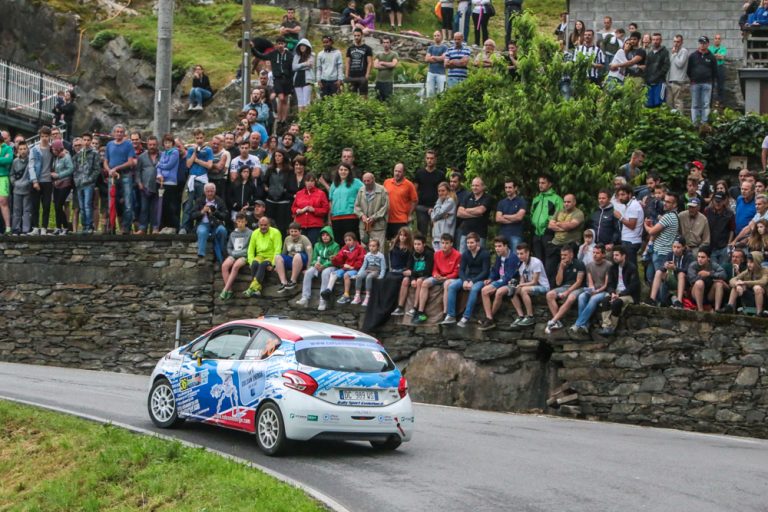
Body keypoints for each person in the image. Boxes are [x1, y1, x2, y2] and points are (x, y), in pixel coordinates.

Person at [440, 232, 490, 327]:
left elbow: (485, 271)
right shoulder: (466, 254)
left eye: (472, 242)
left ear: (478, 243)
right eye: (468, 243)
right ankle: (451, 315)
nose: (469, 245)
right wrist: (465, 280)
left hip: (481, 279)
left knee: (474, 289)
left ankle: (466, 317)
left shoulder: (485, 254)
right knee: (452, 286)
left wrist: (473, 281)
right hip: (468, 277)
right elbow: (461, 270)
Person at [412, 233, 461, 324]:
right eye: (442, 243)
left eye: (447, 243)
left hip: (450, 278)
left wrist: (445, 277)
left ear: (451, 244)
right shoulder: (437, 254)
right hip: (439, 277)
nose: (444, 245)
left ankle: (445, 313)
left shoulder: (457, 255)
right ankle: (420, 312)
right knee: (425, 283)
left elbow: (456, 273)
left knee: (447, 284)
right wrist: (436, 275)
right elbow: (434, 269)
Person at [477, 236, 520, 330]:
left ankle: (489, 318)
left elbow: (509, 277)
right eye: (496, 246)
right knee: (486, 290)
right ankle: (489, 319)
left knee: (486, 291)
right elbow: (495, 270)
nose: (497, 248)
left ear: (506, 246)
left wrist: (494, 284)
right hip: (502, 280)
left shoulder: (513, 257)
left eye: (499, 246)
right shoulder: (499, 256)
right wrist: (490, 279)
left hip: (512, 282)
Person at [569, 244, 612, 335]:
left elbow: (606, 284)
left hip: (604, 291)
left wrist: (597, 291)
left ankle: (578, 324)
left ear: (603, 254)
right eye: (594, 253)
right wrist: (592, 290)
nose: (595, 255)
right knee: (581, 296)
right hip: (593, 290)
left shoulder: (609, 265)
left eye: (597, 253)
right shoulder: (589, 265)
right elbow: (590, 282)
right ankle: (585, 325)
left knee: (593, 299)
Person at [253, 37, 294, 131]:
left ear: (285, 44)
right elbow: (261, 55)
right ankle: (279, 118)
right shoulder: (273, 54)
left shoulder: (289, 55)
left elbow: (292, 68)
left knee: (285, 100)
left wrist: (292, 80)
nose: (280, 45)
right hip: (278, 79)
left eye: (282, 43)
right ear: (276, 45)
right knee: (281, 98)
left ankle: (283, 120)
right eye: (278, 43)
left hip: (287, 79)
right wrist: (253, 48)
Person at [598, 246, 640, 336]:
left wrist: (620, 294)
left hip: (629, 294)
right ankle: (606, 326)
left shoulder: (631, 267)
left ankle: (612, 327)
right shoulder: (612, 268)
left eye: (617, 255)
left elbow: (633, 286)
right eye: (614, 255)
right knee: (605, 300)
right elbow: (610, 284)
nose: (614, 257)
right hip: (616, 292)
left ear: (623, 256)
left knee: (617, 303)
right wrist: (612, 293)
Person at [544, 244, 586, 333]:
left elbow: (579, 282)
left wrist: (567, 292)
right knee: (549, 295)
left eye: (565, 255)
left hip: (579, 287)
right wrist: (561, 269)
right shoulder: (560, 264)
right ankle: (558, 322)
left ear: (571, 255)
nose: (563, 257)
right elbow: (558, 283)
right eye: (561, 255)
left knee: (571, 297)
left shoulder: (579, 263)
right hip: (564, 287)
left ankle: (553, 320)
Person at [103, 124, 137, 234]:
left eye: (121, 132)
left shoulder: (128, 145)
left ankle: (126, 227)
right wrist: (109, 170)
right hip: (112, 176)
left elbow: (130, 162)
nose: (119, 133)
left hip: (125, 174)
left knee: (128, 203)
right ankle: (111, 227)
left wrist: (116, 168)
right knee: (111, 202)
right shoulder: (109, 145)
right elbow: (105, 161)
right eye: (117, 131)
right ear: (113, 133)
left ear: (124, 133)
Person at [296, 225, 340, 309]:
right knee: (308, 272)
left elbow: (335, 260)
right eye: (323, 235)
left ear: (331, 236)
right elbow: (314, 258)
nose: (325, 237)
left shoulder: (336, 246)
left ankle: (322, 301)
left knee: (325, 273)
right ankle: (305, 297)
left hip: (331, 266)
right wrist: (315, 263)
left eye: (327, 235)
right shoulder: (317, 245)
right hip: (319, 265)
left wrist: (325, 265)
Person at [545, 194, 585, 283]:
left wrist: (558, 223)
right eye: (565, 202)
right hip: (555, 244)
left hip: (570, 244)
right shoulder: (559, 211)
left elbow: (571, 225)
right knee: (550, 269)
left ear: (574, 202)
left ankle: (567, 287)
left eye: (569, 202)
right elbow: (550, 225)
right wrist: (564, 226)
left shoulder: (578, 213)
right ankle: (552, 288)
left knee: (567, 269)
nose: (566, 204)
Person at [392, 234, 433, 316]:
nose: (416, 246)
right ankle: (400, 307)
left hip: (424, 274)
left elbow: (428, 271)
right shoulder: (412, 252)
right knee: (405, 280)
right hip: (414, 275)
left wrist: (413, 274)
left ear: (424, 244)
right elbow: (409, 268)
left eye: (419, 244)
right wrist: (412, 278)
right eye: (415, 244)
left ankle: (415, 308)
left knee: (419, 281)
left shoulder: (429, 254)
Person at [510, 242, 550, 328]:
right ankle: (521, 316)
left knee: (524, 290)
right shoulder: (522, 266)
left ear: (527, 253)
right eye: (518, 254)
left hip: (543, 287)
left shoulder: (536, 262)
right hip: (530, 286)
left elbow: (534, 282)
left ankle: (530, 316)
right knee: (511, 290)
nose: (519, 256)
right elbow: (522, 281)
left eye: (521, 253)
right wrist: (515, 286)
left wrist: (521, 285)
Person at [644, 192, 680, 285]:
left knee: (659, 281)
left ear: (674, 204)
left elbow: (651, 232)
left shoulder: (668, 216)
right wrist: (651, 227)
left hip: (661, 253)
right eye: (664, 200)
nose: (664, 203)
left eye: (668, 202)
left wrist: (645, 226)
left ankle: (660, 294)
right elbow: (657, 230)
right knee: (651, 277)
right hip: (660, 251)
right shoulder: (674, 215)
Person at [645, 237, 693, 308]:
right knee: (658, 272)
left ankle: (679, 302)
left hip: (685, 282)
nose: (675, 249)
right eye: (674, 247)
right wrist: (665, 266)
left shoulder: (689, 256)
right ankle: (652, 299)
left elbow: (688, 271)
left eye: (678, 247)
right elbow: (662, 267)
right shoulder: (670, 254)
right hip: (672, 279)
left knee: (681, 274)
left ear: (683, 247)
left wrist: (675, 268)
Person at [245, 216, 283, 298]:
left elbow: (278, 249)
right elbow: (250, 249)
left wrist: (273, 264)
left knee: (263, 264)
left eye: (265, 225)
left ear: (269, 225)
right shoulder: (255, 233)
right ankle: (257, 290)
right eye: (261, 225)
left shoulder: (276, 232)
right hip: (260, 256)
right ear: (258, 225)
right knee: (254, 264)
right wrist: (250, 262)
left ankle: (252, 288)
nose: (263, 227)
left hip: (270, 256)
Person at [721, 251, 768, 316]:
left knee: (757, 287)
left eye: (751, 262)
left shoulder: (765, 270)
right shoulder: (747, 271)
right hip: (750, 296)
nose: (749, 264)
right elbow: (732, 280)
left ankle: (759, 312)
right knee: (736, 286)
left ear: (757, 262)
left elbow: (763, 281)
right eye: (748, 262)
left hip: (764, 297)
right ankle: (729, 307)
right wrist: (737, 285)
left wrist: (744, 282)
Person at [530, 174, 563, 263]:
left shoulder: (557, 199)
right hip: (536, 234)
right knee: (538, 262)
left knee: (550, 263)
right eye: (539, 183)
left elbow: (561, 216)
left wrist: (550, 226)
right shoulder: (536, 199)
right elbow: (532, 214)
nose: (540, 185)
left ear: (550, 184)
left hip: (549, 234)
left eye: (543, 183)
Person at [220, 213, 253, 300]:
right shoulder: (233, 234)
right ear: (236, 222)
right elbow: (229, 247)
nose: (240, 224)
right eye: (239, 221)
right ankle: (229, 290)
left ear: (246, 222)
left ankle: (225, 290)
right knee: (224, 266)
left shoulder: (251, 233)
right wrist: (232, 253)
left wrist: (238, 254)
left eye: (242, 221)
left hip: (244, 256)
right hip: (233, 254)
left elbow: (250, 248)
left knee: (235, 266)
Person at [327, 232, 366, 304]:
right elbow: (339, 258)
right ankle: (328, 290)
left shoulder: (360, 248)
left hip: (355, 269)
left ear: (355, 240)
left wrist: (352, 267)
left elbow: (361, 261)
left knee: (346, 275)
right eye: (346, 240)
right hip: (345, 268)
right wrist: (334, 259)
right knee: (334, 273)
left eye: (349, 240)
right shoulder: (344, 248)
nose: (347, 242)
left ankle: (346, 295)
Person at [330, 163, 364, 245]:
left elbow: (364, 194)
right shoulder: (334, 184)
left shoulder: (356, 182)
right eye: (341, 170)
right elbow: (331, 200)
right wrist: (330, 216)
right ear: (338, 171)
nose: (343, 172)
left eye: (345, 170)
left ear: (349, 171)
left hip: (351, 216)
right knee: (339, 242)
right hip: (336, 218)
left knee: (352, 241)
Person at [383, 162, 418, 242]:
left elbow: (415, 200)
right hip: (388, 219)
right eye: (395, 171)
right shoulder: (386, 182)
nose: (397, 173)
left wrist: (410, 214)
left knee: (401, 243)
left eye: (399, 171)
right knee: (390, 242)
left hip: (401, 219)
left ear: (403, 172)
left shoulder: (409, 185)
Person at [291, 173, 328, 245]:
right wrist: (297, 210)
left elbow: (325, 209)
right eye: (307, 181)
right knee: (300, 246)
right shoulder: (299, 193)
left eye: (312, 181)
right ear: (304, 182)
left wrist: (314, 210)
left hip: (315, 225)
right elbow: (293, 208)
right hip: (300, 225)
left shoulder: (321, 193)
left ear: (315, 182)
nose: (309, 183)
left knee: (312, 245)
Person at [687, 36, 718, 125]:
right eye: (701, 43)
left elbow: (715, 71)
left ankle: (704, 123)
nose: (702, 45)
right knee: (695, 104)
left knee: (706, 104)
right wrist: (693, 78)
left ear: (708, 44)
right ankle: (695, 123)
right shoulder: (692, 56)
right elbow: (688, 70)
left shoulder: (711, 57)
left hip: (707, 83)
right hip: (695, 83)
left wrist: (710, 80)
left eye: (704, 43)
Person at [263, 149, 294, 236]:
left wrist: (284, 191)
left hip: (283, 202)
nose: (277, 158)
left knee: (282, 227)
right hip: (270, 201)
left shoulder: (289, 170)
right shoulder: (270, 169)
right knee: (270, 226)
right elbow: (264, 182)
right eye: (276, 156)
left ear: (284, 157)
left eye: (279, 156)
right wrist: (267, 189)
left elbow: (291, 184)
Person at [354, 172, 389, 248]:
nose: (366, 183)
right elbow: (356, 206)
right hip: (364, 227)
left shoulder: (382, 190)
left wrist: (374, 217)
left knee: (378, 248)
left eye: (368, 181)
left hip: (378, 226)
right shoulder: (361, 190)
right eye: (364, 181)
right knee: (364, 249)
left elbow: (385, 207)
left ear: (373, 179)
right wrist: (362, 215)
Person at [457, 177, 492, 253]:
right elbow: (459, 213)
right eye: (473, 185)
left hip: (480, 234)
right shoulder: (467, 196)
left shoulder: (487, 198)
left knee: (478, 257)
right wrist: (474, 214)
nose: (474, 187)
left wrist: (466, 210)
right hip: (465, 233)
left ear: (483, 187)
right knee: (463, 256)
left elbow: (480, 210)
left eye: (477, 185)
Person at [276, 222, 313, 293]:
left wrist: (308, 268)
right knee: (278, 257)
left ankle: (293, 281)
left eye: (295, 231)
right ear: (289, 231)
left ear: (300, 231)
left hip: (301, 260)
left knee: (297, 256)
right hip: (291, 260)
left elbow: (310, 253)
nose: (293, 233)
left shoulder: (304, 239)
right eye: (291, 231)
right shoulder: (287, 239)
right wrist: (277, 265)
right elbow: (284, 253)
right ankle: (283, 282)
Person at [134, 135, 160, 234]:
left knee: (155, 209)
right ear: (147, 145)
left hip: (158, 186)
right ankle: (142, 228)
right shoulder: (142, 157)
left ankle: (155, 228)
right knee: (144, 208)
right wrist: (139, 183)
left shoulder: (162, 156)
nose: (152, 146)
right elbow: (137, 171)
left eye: (154, 145)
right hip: (144, 187)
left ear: (157, 145)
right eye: (150, 145)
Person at [414, 150, 442, 237]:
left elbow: (443, 191)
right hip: (421, 207)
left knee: (436, 233)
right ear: (425, 159)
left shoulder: (440, 174)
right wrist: (414, 205)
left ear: (435, 159)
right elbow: (414, 190)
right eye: (428, 158)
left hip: (436, 207)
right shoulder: (419, 173)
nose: (429, 160)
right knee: (421, 234)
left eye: (432, 158)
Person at [688, 248, 726, 312]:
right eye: (698, 257)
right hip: (696, 293)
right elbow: (692, 280)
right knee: (699, 283)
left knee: (719, 284)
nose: (700, 259)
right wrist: (703, 276)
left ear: (708, 258)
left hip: (709, 294)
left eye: (703, 257)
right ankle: (700, 309)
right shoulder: (693, 265)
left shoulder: (713, 264)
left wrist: (709, 274)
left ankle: (717, 310)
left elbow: (723, 274)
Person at [156, 134, 181, 233]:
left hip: (170, 182)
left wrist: (159, 165)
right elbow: (159, 168)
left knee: (170, 205)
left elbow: (169, 165)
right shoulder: (163, 153)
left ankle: (174, 226)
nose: (167, 144)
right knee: (163, 205)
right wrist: (159, 174)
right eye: (166, 142)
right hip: (161, 181)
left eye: (169, 142)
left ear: (172, 143)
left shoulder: (175, 152)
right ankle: (164, 226)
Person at [353, 238, 387, 306]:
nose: (371, 247)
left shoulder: (381, 256)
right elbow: (364, 266)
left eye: (373, 246)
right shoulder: (367, 255)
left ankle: (368, 296)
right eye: (370, 246)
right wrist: (359, 273)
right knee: (359, 277)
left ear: (378, 247)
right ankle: (357, 296)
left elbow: (383, 267)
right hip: (368, 269)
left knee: (369, 277)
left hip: (376, 270)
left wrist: (381, 276)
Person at [50, 139, 74, 235]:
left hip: (65, 184)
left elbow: (70, 169)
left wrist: (59, 175)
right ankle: (58, 227)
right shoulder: (56, 157)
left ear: (58, 149)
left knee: (59, 205)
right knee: (56, 206)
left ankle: (66, 227)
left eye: (54, 149)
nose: (53, 151)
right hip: (56, 184)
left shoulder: (66, 157)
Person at [10, 141, 32, 234]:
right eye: (21, 149)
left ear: (27, 149)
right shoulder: (15, 161)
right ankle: (16, 228)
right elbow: (11, 174)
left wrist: (29, 183)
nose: (23, 151)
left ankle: (26, 229)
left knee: (27, 210)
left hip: (27, 189)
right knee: (16, 210)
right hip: (17, 189)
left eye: (24, 149)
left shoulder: (30, 160)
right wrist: (14, 183)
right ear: (17, 151)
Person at [645, 33, 670, 108]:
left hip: (660, 82)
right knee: (649, 105)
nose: (655, 41)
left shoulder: (665, 52)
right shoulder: (650, 53)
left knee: (659, 103)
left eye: (657, 39)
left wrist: (657, 76)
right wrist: (647, 79)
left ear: (661, 40)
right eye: (654, 39)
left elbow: (666, 66)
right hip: (649, 83)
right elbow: (646, 67)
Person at [345, 28, 373, 96]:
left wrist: (366, 76)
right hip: (352, 76)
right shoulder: (350, 48)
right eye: (355, 36)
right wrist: (346, 75)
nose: (356, 37)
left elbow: (370, 63)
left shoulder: (367, 48)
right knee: (351, 97)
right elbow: (347, 62)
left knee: (363, 97)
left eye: (358, 35)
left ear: (362, 35)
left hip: (362, 76)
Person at [431, 181, 457, 252]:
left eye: (443, 191)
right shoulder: (441, 201)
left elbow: (436, 215)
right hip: (437, 234)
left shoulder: (450, 201)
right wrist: (437, 215)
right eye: (439, 191)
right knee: (437, 255)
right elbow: (433, 216)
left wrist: (435, 212)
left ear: (448, 191)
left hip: (445, 235)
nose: (440, 193)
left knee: (445, 255)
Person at [667, 34, 689, 113]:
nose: (676, 43)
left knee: (678, 102)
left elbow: (680, 64)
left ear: (682, 42)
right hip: (670, 81)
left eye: (678, 42)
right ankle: (672, 118)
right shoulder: (673, 52)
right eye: (674, 41)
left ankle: (680, 118)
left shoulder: (684, 51)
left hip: (678, 81)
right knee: (669, 103)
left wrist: (675, 54)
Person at [292, 39, 315, 112]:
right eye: (300, 46)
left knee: (306, 101)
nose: (302, 47)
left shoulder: (312, 55)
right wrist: (305, 64)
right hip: (297, 79)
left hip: (307, 79)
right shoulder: (296, 56)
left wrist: (299, 66)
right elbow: (294, 67)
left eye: (304, 45)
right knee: (300, 102)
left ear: (307, 46)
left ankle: (307, 117)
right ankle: (301, 118)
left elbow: (310, 65)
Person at [374, 37, 399, 102]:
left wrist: (382, 63)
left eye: (387, 42)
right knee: (378, 100)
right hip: (378, 81)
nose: (386, 44)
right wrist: (389, 66)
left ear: (390, 43)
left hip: (388, 81)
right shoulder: (378, 54)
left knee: (388, 100)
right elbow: (375, 66)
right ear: (382, 44)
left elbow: (393, 64)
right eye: (384, 42)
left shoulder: (394, 54)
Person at [425, 31, 448, 97]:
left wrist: (433, 57)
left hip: (441, 74)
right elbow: (426, 59)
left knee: (442, 93)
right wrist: (439, 59)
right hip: (431, 73)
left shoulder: (445, 47)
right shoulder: (430, 48)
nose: (436, 37)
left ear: (441, 36)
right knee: (430, 93)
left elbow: (443, 58)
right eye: (435, 36)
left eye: (438, 35)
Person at [709, 34, 727, 107]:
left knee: (720, 85)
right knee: (711, 85)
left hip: (720, 67)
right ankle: (710, 102)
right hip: (711, 67)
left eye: (719, 38)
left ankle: (720, 102)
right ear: (714, 40)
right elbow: (709, 57)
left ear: (720, 40)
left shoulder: (723, 48)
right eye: (716, 38)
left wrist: (713, 55)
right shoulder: (710, 48)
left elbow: (722, 57)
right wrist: (717, 55)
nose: (717, 40)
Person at [0, 133, 13, 233]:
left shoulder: (7, 148)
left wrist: (4, 159)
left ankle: (8, 227)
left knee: (3, 201)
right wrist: (2, 159)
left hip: (3, 177)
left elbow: (9, 160)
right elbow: (5, 160)